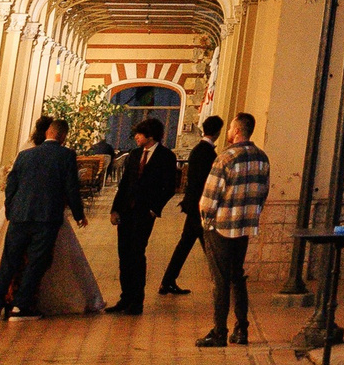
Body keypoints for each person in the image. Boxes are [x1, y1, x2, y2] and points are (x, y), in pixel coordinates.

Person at [0, 117, 86, 319]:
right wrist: (79, 215)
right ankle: (20, 307)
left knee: (9, 261)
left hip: (19, 216)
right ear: (63, 136)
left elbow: (11, 184)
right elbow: (71, 187)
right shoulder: (66, 155)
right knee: (36, 262)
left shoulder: (25, 155)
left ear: (47, 132)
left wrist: (11, 209)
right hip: (46, 217)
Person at [194, 112, 269, 349]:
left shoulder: (226, 158)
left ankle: (219, 332)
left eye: (230, 128)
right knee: (238, 276)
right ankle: (241, 328)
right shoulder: (262, 157)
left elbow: (209, 198)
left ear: (236, 131)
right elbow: (263, 192)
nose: (227, 132)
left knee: (220, 280)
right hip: (244, 226)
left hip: (221, 226)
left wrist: (206, 222)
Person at [107, 116, 180, 316]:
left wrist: (154, 209)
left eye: (139, 134)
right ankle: (125, 297)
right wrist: (115, 209)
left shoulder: (166, 156)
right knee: (124, 254)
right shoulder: (134, 154)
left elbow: (170, 187)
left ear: (151, 136)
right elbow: (124, 184)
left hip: (144, 212)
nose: (136, 137)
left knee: (137, 253)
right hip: (126, 211)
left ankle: (136, 301)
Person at [157, 114, 220, 296]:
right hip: (200, 207)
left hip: (194, 206)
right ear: (217, 132)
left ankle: (168, 281)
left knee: (188, 244)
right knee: (209, 246)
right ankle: (223, 278)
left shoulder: (198, 150)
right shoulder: (207, 153)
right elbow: (204, 182)